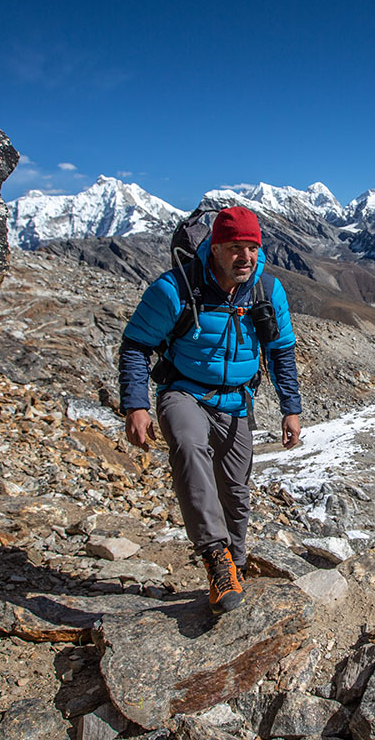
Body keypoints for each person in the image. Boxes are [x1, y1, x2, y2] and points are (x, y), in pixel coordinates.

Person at [117, 205, 301, 614]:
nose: (245, 257)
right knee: (187, 443)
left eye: (251, 247)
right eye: (235, 247)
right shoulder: (175, 289)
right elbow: (135, 345)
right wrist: (136, 404)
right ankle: (215, 557)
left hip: (237, 401)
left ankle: (233, 568)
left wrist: (291, 408)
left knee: (235, 493)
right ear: (214, 248)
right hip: (184, 392)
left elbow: (281, 350)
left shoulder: (267, 291)